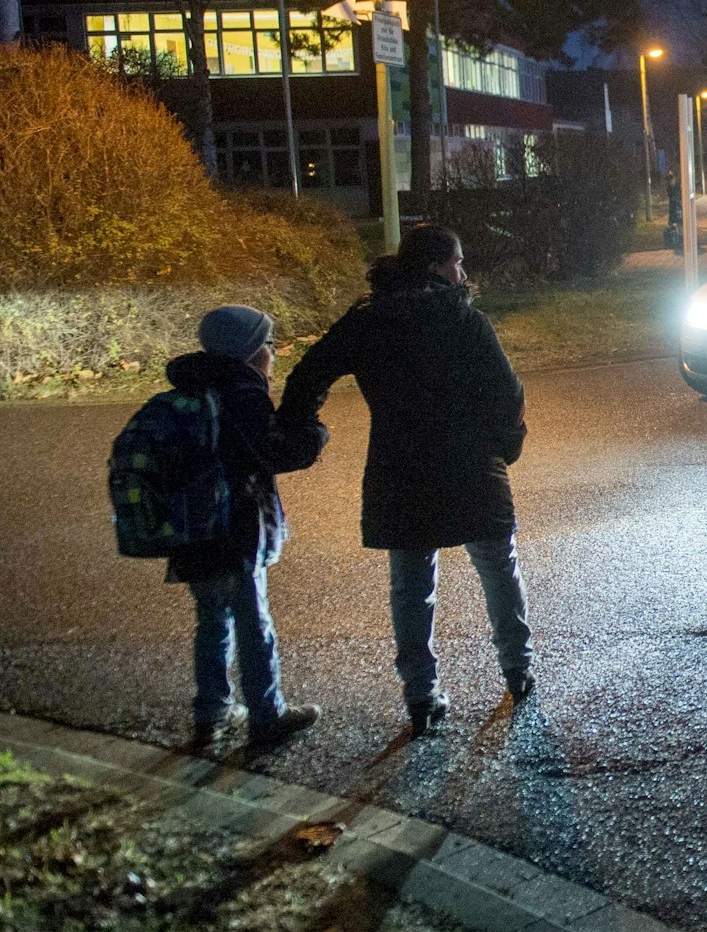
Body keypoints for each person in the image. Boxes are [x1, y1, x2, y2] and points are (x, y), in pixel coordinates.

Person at [278, 226, 535, 736]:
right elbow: (506, 391)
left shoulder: (368, 323)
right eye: (458, 262)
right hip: (471, 465)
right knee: (496, 566)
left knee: (412, 584)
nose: (463, 272)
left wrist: (301, 430)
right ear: (439, 266)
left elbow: (306, 376)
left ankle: (420, 695)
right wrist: (506, 445)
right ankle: (518, 669)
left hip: (400, 468)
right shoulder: (464, 320)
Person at [167, 306, 327, 751]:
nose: (273, 354)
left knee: (211, 620)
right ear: (252, 351)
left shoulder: (192, 385)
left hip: (191, 526)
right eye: (269, 344)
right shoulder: (242, 391)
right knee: (254, 621)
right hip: (235, 525)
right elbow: (273, 452)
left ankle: (212, 714)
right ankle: (267, 713)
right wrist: (316, 435)